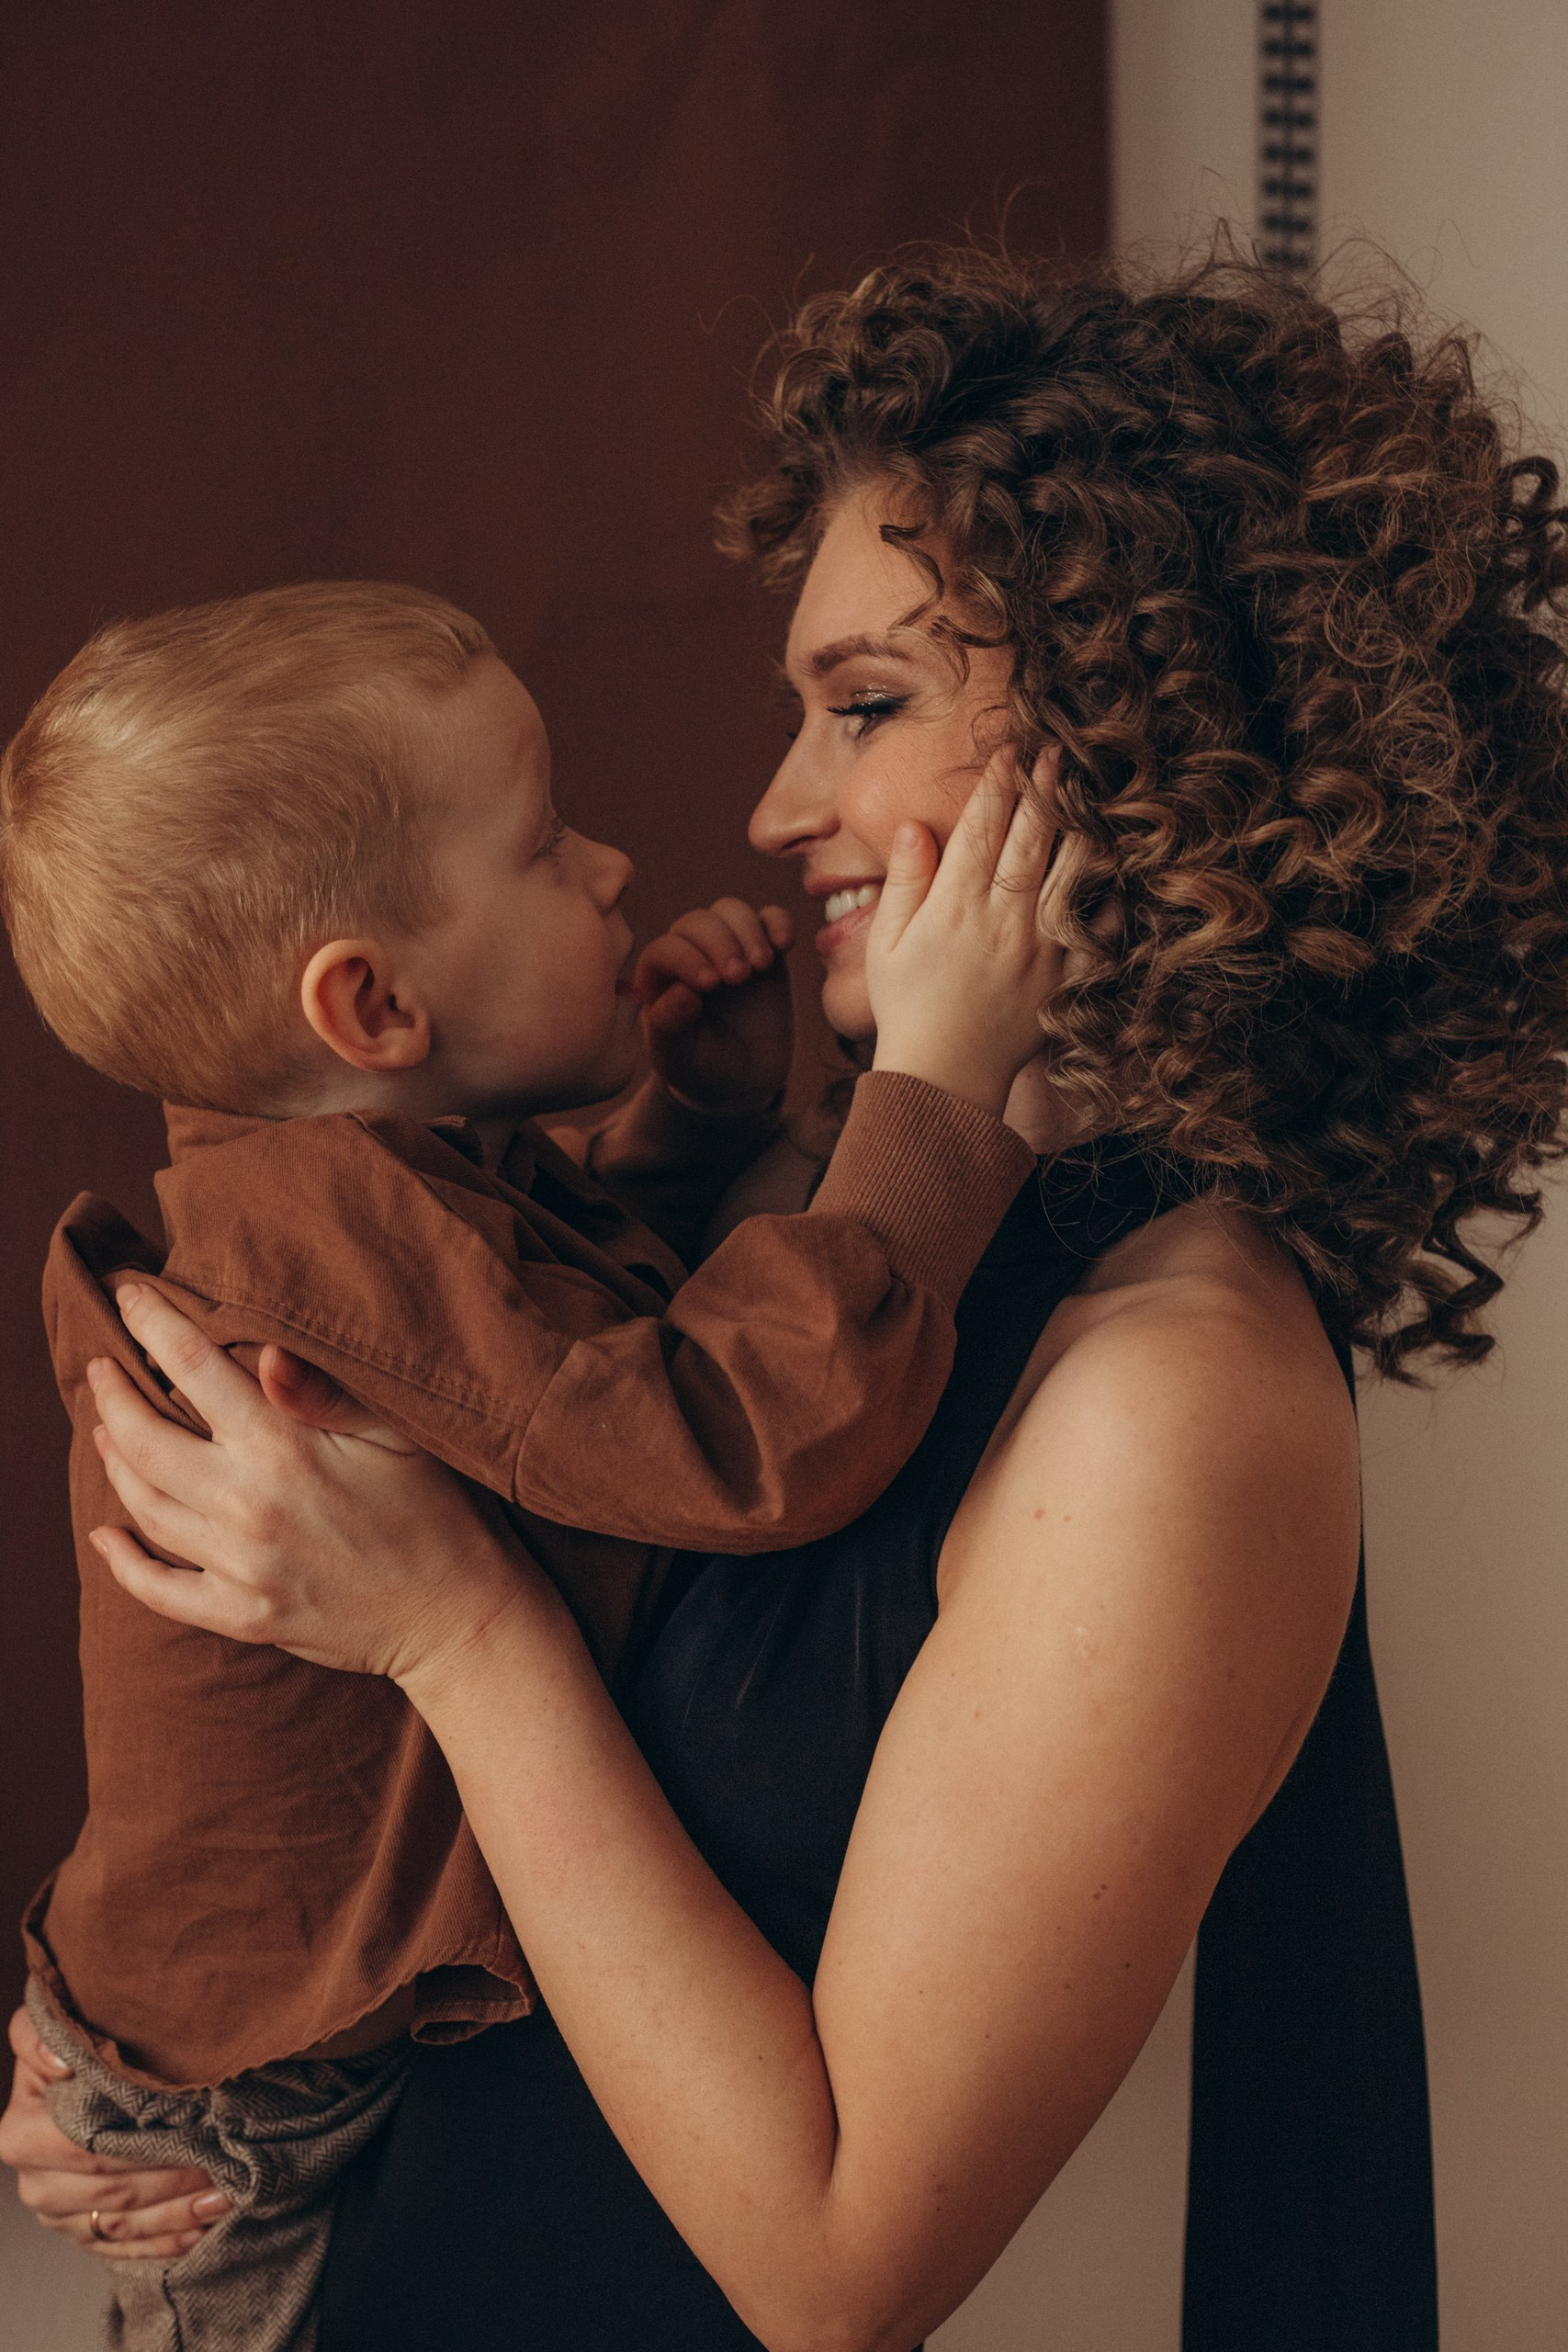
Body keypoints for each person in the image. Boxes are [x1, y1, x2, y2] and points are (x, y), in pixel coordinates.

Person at [9, 246, 1568, 2350]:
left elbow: (834, 2272)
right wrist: (137, 2042)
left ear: (1141, 723)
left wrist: (454, 1629)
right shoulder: (848, 1197)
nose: (766, 808)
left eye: (864, 703)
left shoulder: (1175, 1389)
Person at [0, 577, 1063, 2350]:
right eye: (545, 844)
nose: (614, 864)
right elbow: (726, 1444)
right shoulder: (326, 1251)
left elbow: (541, 1371)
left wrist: (696, 1124)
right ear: (372, 1006)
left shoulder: (347, 1197)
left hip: (230, 2046)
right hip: (247, 2117)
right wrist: (942, 1090)